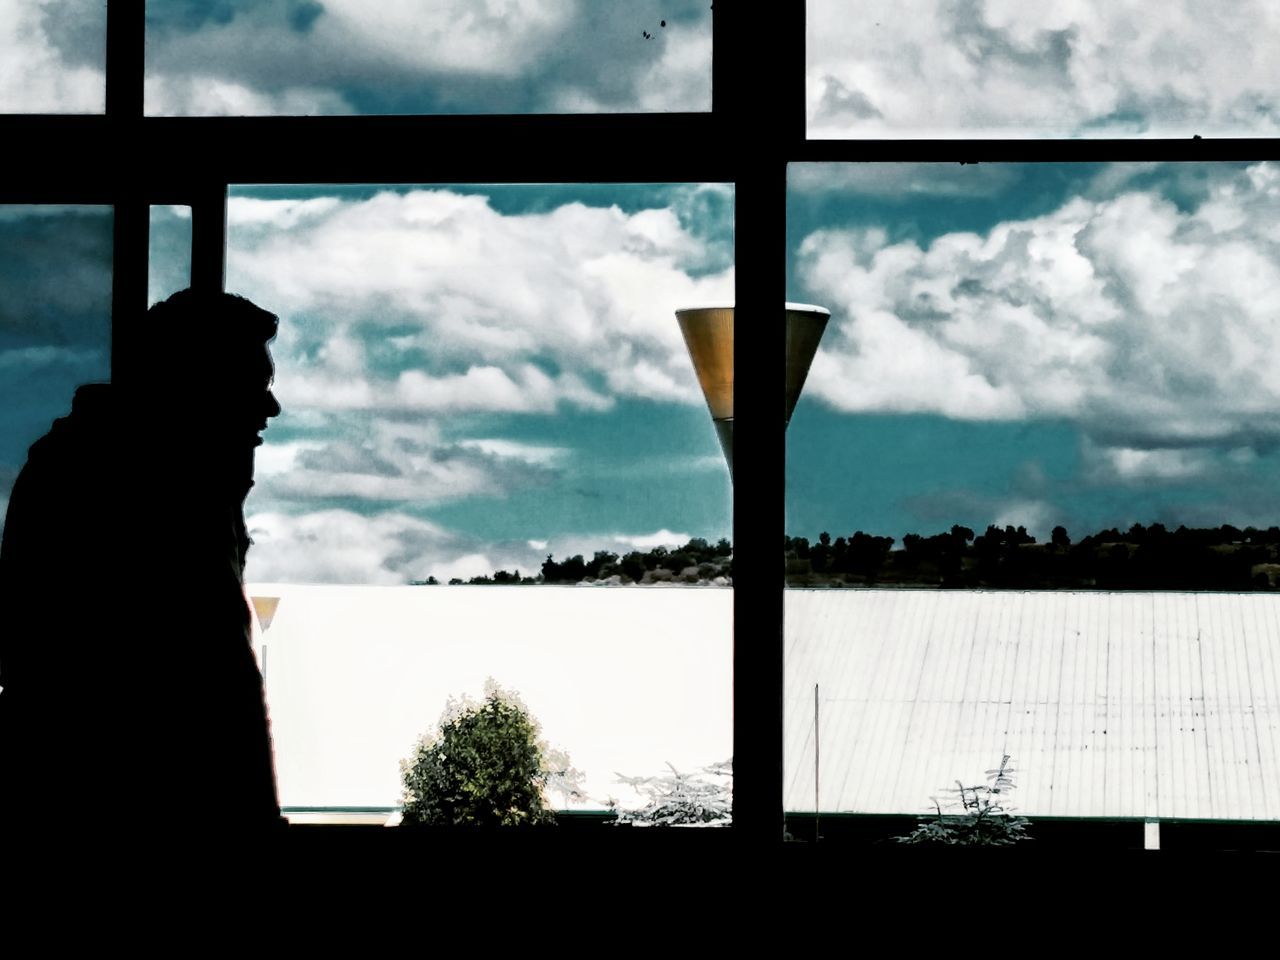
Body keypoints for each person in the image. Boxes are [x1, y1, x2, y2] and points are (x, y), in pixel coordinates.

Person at [0, 289, 286, 847]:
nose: (269, 409)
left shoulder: (83, 469)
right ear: (197, 387)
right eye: (252, 386)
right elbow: (214, 681)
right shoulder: (166, 496)